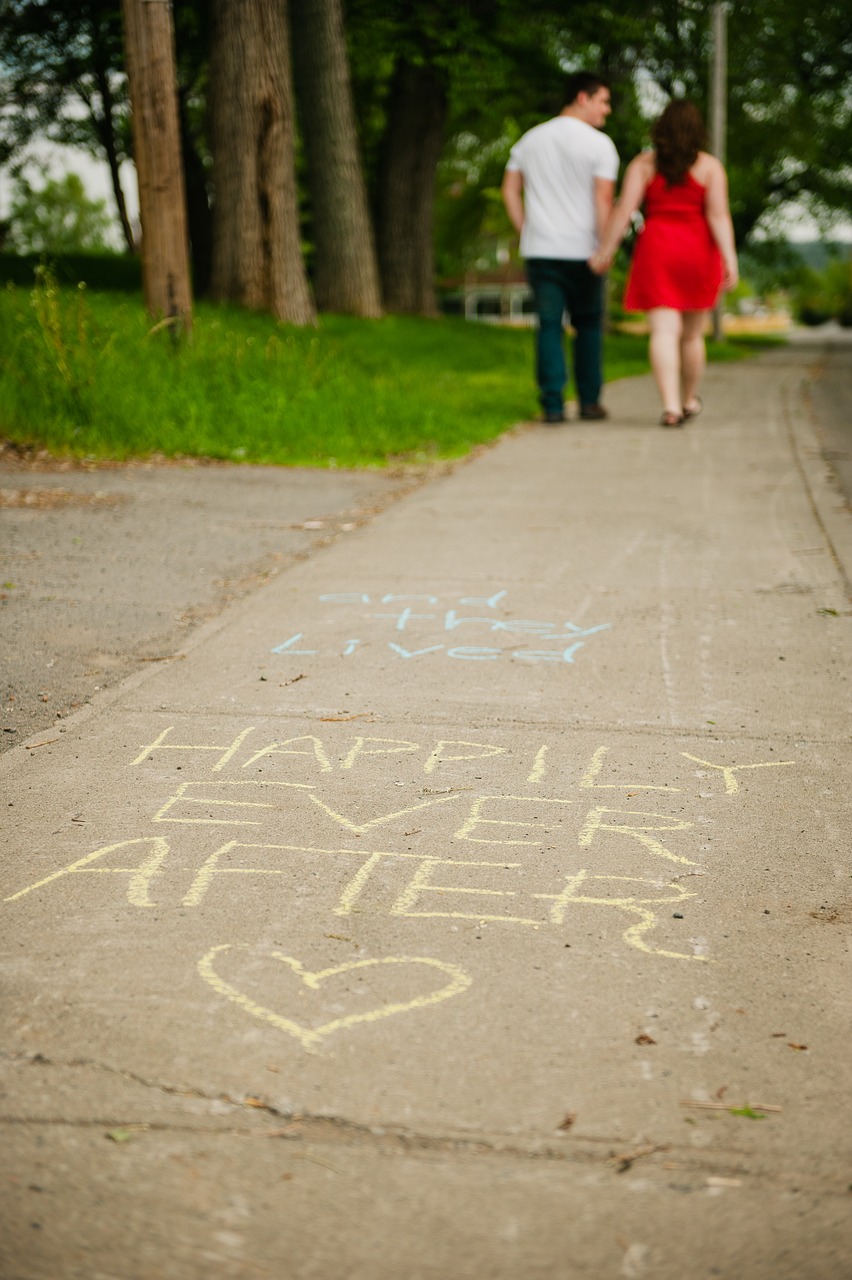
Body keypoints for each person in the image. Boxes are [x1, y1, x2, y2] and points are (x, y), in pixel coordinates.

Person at [589, 99, 738, 426]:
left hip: (657, 249)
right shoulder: (710, 167)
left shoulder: (642, 165)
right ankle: (688, 400)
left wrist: (605, 252)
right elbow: (718, 215)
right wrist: (730, 259)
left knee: (663, 331)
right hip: (697, 250)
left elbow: (624, 211)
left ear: (661, 129)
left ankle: (670, 407)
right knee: (692, 335)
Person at [502, 71, 619, 424]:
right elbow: (603, 199)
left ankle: (552, 405)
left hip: (541, 250)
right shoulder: (599, 145)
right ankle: (589, 401)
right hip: (583, 251)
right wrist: (605, 248)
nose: (607, 110)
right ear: (583, 98)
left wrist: (526, 229)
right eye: (603, 101)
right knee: (588, 324)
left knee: (549, 325)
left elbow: (510, 190)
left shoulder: (529, 140)